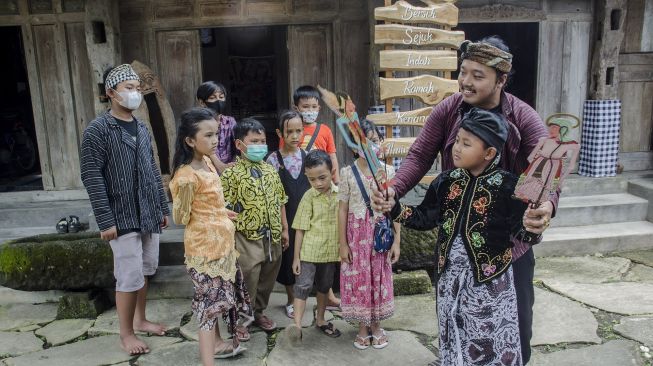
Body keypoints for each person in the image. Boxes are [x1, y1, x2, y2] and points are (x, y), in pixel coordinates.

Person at [371, 36, 557, 364]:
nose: (466, 82)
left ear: (501, 80)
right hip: (456, 245)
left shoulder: (524, 119)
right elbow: (418, 156)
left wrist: (543, 208)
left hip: (508, 246)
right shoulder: (449, 109)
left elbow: (542, 178)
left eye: (478, 75)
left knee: (514, 327)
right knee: (454, 319)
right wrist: (393, 190)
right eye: (464, 72)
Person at [393, 108, 540, 365]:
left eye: (466, 143)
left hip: (489, 282)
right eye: (457, 141)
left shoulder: (510, 186)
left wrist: (532, 225)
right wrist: (394, 209)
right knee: (452, 330)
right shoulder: (446, 181)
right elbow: (425, 217)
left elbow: (522, 232)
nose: (456, 148)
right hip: (450, 277)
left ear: (489, 153)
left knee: (487, 338)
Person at [80, 64, 169, 355]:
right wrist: (105, 220)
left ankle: (141, 320)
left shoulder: (141, 128)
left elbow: (153, 169)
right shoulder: (97, 131)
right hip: (120, 215)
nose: (135, 93)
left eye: (137, 88)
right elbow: (91, 176)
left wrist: (161, 206)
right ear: (111, 93)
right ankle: (126, 333)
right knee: (128, 276)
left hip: (147, 211)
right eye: (128, 88)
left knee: (144, 270)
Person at [169, 107, 253, 364]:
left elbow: (208, 204)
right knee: (208, 309)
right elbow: (181, 218)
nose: (215, 140)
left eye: (216, 134)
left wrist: (221, 213)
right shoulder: (185, 177)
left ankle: (217, 344)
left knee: (215, 303)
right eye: (208, 135)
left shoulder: (206, 162)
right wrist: (212, 216)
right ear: (190, 140)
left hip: (222, 247)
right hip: (205, 251)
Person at [220, 118, 289, 332]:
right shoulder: (231, 174)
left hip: (272, 235)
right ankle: (240, 319)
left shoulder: (270, 170)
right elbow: (224, 209)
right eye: (254, 141)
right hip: (245, 236)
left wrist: (284, 229)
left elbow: (281, 200)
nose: (260, 145)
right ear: (239, 145)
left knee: (268, 277)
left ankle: (258, 312)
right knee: (247, 277)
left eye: (262, 141)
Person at [338, 121, 401, 350]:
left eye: (374, 141)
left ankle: (376, 326)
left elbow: (395, 210)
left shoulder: (389, 172)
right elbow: (342, 209)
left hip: (380, 237)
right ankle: (362, 327)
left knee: (378, 279)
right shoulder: (347, 173)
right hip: (355, 237)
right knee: (359, 280)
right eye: (364, 142)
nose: (371, 147)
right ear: (354, 147)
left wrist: (397, 241)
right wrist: (342, 244)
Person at [285, 149, 342, 341]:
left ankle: (320, 319)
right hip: (309, 252)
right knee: (302, 286)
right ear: (307, 177)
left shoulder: (340, 195)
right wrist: (296, 257)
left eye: (322, 178)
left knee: (325, 286)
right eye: (312, 179)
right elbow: (300, 229)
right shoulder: (308, 197)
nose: (317, 183)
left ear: (332, 172)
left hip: (330, 252)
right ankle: (297, 326)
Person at [265, 111, 311, 319]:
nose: (295, 136)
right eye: (289, 131)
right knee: (289, 258)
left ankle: (317, 295)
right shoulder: (273, 161)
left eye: (298, 131)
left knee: (309, 256)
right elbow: (271, 194)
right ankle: (291, 299)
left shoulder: (309, 157)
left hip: (307, 217)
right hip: (285, 217)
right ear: (279, 132)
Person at [291, 85, 340, 184]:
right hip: (299, 180)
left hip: (322, 180)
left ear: (319, 108)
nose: (310, 110)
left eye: (314, 107)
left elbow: (332, 157)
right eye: (305, 107)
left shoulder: (325, 130)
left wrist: (336, 181)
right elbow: (284, 155)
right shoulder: (290, 130)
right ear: (296, 108)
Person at [196, 81, 237, 174]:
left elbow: (237, 146)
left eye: (221, 97)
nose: (218, 101)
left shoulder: (230, 122)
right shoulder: (198, 124)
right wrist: (220, 166)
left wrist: (232, 166)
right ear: (202, 102)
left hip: (229, 171)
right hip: (206, 171)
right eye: (212, 98)